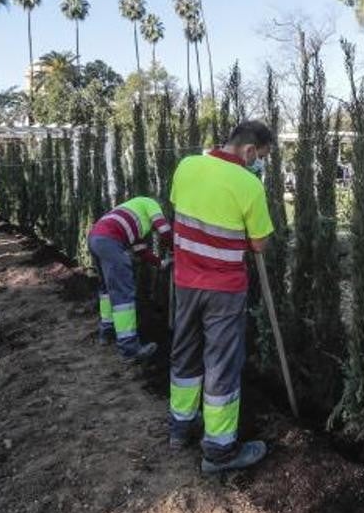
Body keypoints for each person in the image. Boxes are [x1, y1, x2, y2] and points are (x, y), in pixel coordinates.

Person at [168, 121, 274, 473]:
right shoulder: (249, 184)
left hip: (184, 282)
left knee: (185, 353)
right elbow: (259, 243)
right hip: (224, 291)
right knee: (221, 366)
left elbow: (181, 212)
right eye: (260, 157)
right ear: (248, 151)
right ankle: (219, 451)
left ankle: (179, 429)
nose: (259, 163)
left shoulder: (186, 166)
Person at [88, 196, 172, 361]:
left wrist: (161, 263)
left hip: (95, 238)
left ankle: (107, 332)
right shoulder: (151, 203)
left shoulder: (134, 219)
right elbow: (164, 230)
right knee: (123, 294)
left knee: (106, 289)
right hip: (110, 241)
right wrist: (177, 249)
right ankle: (129, 349)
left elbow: (141, 250)